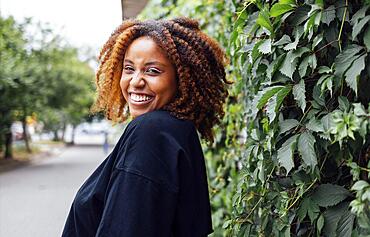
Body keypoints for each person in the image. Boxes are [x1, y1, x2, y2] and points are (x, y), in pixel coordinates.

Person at [61, 17, 232, 237]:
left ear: (181, 78)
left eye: (152, 71)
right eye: (129, 68)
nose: (135, 82)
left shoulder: (152, 133)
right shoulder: (178, 131)